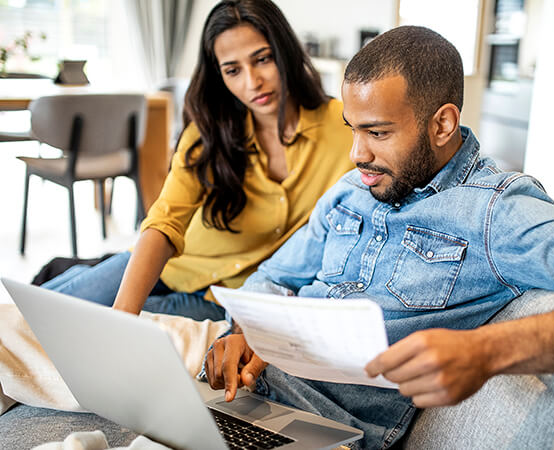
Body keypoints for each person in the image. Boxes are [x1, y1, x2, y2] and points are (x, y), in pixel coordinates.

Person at [202, 25, 554, 448]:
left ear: (442, 123)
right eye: (352, 129)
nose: (356, 154)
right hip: (245, 397)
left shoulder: (496, 211)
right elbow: (273, 276)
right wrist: (241, 332)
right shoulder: (355, 188)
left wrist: (486, 351)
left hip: (325, 430)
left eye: (377, 133)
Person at [41, 0, 354, 321]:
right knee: (40, 311)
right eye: (232, 70)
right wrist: (123, 314)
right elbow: (164, 221)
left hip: (227, 297)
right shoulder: (208, 132)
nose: (252, 82)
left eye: (263, 59)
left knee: (82, 322)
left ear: (285, 52)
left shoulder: (346, 129)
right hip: (170, 266)